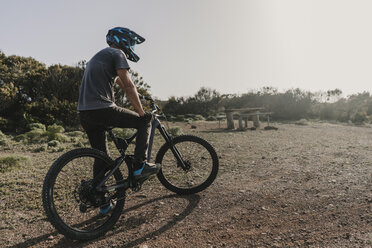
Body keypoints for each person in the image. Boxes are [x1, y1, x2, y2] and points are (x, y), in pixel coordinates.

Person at [77, 27, 161, 213]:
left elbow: (121, 84)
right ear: (123, 41)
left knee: (102, 157)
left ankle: (102, 202)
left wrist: (141, 97)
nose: (131, 47)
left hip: (85, 113)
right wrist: (141, 112)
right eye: (130, 43)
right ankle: (140, 166)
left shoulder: (98, 57)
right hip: (102, 108)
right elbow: (129, 85)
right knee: (143, 122)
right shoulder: (117, 53)